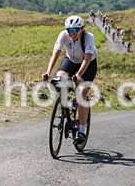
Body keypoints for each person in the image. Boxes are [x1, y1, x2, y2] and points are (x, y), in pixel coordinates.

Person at [42, 15, 98, 144]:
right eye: (69, 30)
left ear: (81, 29)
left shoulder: (89, 37)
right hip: (71, 61)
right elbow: (55, 53)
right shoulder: (64, 35)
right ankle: (65, 108)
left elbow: (87, 58)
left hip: (88, 64)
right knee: (59, 78)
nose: (71, 33)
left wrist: (78, 75)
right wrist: (48, 71)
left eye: (75, 30)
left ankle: (82, 130)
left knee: (82, 92)